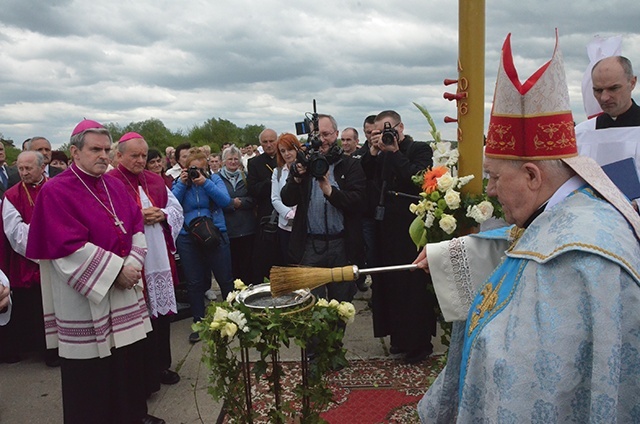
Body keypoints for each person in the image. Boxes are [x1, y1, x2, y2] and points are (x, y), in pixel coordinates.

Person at [415, 33, 640, 423]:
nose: (490, 190)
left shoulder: (582, 256)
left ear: (534, 175)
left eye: (495, 177)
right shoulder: (571, 212)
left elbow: (534, 380)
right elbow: (524, 245)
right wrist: (448, 257)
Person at [25, 119, 165, 424]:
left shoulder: (115, 184)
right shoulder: (55, 191)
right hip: (84, 296)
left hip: (123, 290)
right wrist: (117, 271)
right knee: (92, 368)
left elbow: (136, 226)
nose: (103, 155)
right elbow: (65, 246)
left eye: (106, 149)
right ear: (75, 152)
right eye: (95, 149)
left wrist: (133, 266)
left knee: (126, 359)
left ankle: (131, 415)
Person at [109, 132, 184, 394]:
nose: (141, 160)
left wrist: (162, 214)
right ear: (119, 155)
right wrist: (138, 216)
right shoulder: (109, 182)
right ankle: (142, 375)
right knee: (139, 320)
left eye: (144, 155)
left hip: (159, 259)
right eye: (135, 156)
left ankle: (161, 365)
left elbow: (176, 210)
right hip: (132, 262)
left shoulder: (155, 180)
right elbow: (107, 221)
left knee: (161, 319)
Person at [360, 110, 437, 364]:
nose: (386, 135)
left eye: (389, 129)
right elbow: (367, 176)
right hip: (386, 227)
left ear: (400, 127)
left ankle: (418, 343)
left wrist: (394, 152)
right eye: (380, 131)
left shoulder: (419, 149)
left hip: (410, 227)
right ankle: (398, 338)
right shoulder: (381, 152)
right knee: (390, 283)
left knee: (411, 285)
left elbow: (416, 180)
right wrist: (373, 152)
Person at [281, 114, 366, 303]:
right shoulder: (303, 165)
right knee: (311, 305)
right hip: (310, 245)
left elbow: (358, 201)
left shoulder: (350, 164)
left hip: (342, 245)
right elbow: (287, 198)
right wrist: (296, 178)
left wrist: (330, 192)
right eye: (317, 135)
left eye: (326, 134)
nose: (322, 140)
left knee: (341, 305)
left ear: (336, 134)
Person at [0, 151, 58, 366]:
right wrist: (41, 250)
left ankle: (58, 348)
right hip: (28, 261)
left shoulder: (56, 187)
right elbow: (14, 231)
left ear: (42, 167)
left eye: (28, 168)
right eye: (21, 169)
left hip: (59, 256)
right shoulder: (12, 195)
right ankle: (42, 349)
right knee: (36, 310)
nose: (23, 173)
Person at [171, 148, 232, 343]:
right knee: (194, 282)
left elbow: (225, 201)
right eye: (192, 169)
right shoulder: (181, 183)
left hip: (215, 233)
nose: (195, 173)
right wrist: (182, 183)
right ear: (185, 168)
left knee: (224, 278)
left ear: (206, 168)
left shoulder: (213, 180)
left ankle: (231, 319)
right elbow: (172, 204)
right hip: (188, 236)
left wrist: (205, 183)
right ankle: (199, 322)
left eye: (200, 169)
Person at [218, 146, 256, 283]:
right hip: (229, 229)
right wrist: (231, 203)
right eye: (230, 159)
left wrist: (242, 203)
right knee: (233, 267)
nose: (233, 162)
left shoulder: (246, 176)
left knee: (248, 266)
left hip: (247, 228)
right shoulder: (217, 179)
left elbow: (254, 198)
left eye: (236, 159)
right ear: (223, 161)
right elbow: (215, 200)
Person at [247, 128, 281, 284]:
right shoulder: (254, 163)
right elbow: (253, 189)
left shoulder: (284, 158)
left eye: (272, 141)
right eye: (265, 142)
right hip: (266, 214)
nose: (269, 145)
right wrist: (271, 181)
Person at [270, 133, 302, 264]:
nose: (287, 154)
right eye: (283, 151)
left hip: (303, 226)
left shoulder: (305, 169)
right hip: (285, 226)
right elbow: (275, 198)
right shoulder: (277, 172)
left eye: (290, 149)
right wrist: (288, 213)